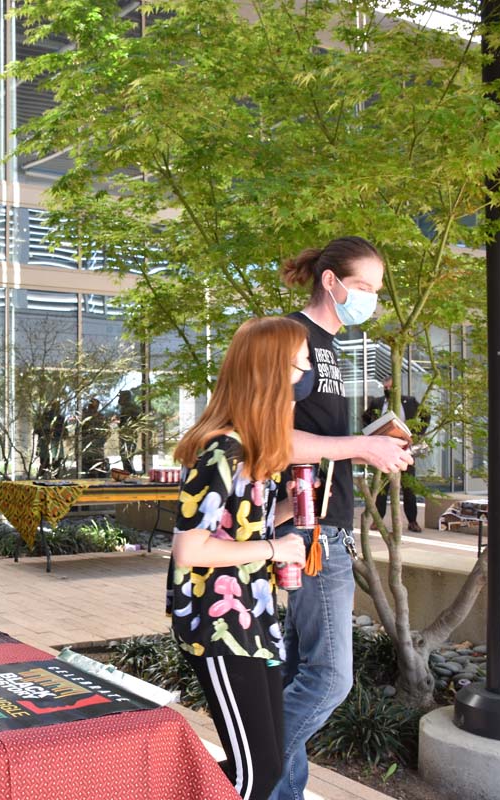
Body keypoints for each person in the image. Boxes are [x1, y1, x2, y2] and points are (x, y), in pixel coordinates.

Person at [271, 237, 413, 800]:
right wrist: (360, 446)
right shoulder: (291, 338)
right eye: (363, 287)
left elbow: (320, 438)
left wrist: (375, 442)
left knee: (299, 671)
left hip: (324, 524)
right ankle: (249, 767)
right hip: (306, 528)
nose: (371, 299)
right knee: (329, 679)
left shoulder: (333, 347)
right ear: (329, 281)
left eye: (376, 290)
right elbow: (271, 437)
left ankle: (277, 790)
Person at [170, 316, 309, 800]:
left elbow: (239, 527)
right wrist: (275, 548)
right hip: (221, 624)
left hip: (253, 618)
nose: (305, 376)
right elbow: (190, 548)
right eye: (299, 365)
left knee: (263, 764)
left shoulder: (250, 450)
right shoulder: (222, 450)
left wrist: (290, 508)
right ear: (271, 371)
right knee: (257, 773)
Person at [362, 377, 427, 532]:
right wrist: (372, 434)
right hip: (383, 449)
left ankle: (412, 520)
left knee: (408, 487)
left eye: (390, 387)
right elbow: (365, 418)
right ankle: (378, 520)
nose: (388, 390)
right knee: (381, 488)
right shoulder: (377, 403)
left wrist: (417, 434)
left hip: (405, 448)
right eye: (385, 388)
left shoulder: (410, 402)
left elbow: (426, 415)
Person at [35, 401, 65, 477]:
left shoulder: (60, 418)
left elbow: (64, 432)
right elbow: (38, 430)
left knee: (52, 467)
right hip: (47, 446)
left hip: (54, 446)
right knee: (46, 466)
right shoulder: (45, 417)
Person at [80, 396, 109, 477]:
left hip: (96, 449)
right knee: (88, 471)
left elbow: (106, 431)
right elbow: (80, 432)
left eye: (93, 406)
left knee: (98, 470)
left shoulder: (100, 417)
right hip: (87, 448)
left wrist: (101, 440)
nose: (92, 408)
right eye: (91, 406)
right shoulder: (85, 417)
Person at [118, 389, 141, 473]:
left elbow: (138, 419)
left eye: (121, 397)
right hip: (125, 433)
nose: (119, 399)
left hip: (129, 434)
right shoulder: (123, 408)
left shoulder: (131, 408)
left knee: (128, 452)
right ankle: (127, 469)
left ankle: (129, 470)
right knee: (124, 452)